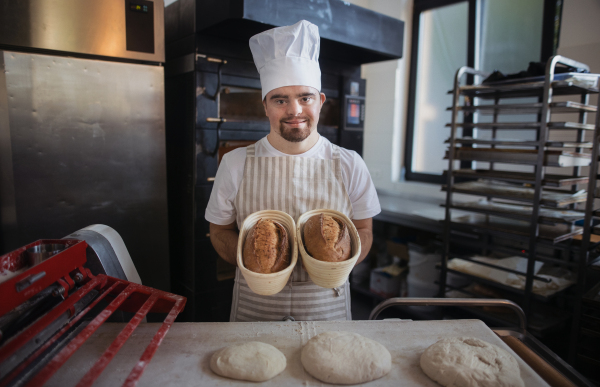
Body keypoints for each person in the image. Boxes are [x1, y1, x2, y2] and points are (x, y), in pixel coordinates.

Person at [205, 20, 380, 322]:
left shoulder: (350, 163)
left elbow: (364, 230)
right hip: (255, 305)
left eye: (305, 97)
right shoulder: (235, 163)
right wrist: (254, 264)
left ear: (320, 102)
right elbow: (218, 231)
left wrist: (334, 266)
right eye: (280, 99)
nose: (294, 110)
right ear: (265, 106)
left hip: (327, 305)